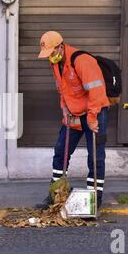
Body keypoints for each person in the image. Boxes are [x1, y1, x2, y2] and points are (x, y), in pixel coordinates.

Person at [35, 31, 110, 210]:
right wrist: (65, 111)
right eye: (48, 54)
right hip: (74, 113)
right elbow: (63, 91)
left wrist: (92, 118)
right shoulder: (56, 64)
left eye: (52, 53)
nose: (50, 57)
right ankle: (56, 194)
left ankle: (95, 198)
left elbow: (97, 92)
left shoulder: (82, 61)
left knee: (95, 156)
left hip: (95, 111)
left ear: (61, 46)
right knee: (61, 150)